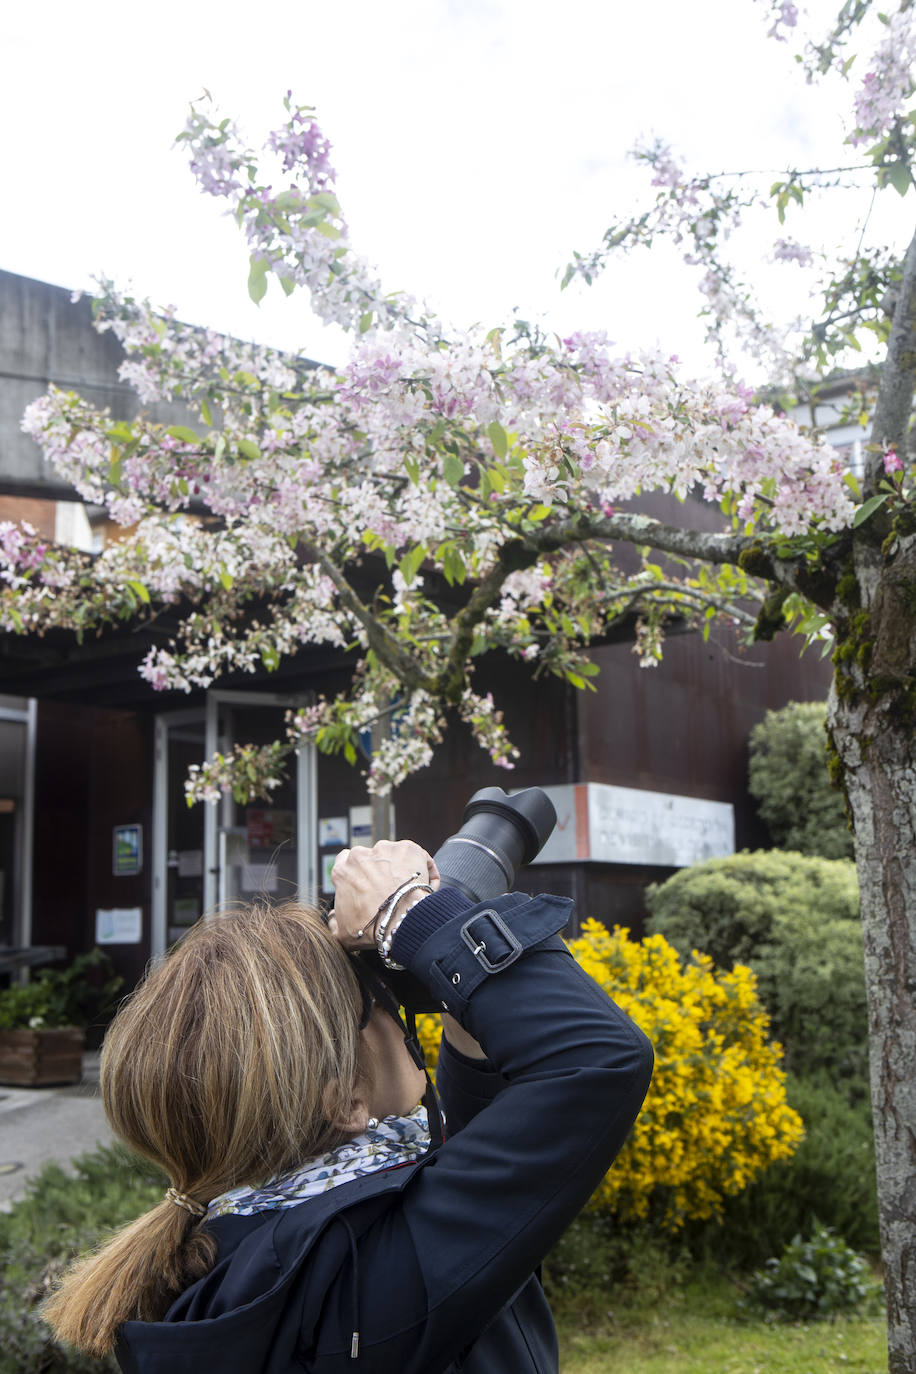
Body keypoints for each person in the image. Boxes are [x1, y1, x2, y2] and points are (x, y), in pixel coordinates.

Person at [44, 840, 653, 1373]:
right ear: (343, 1099)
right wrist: (408, 916)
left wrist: (454, 986)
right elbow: (596, 1059)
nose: (396, 1004)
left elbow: (469, 1160)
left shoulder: (268, 1242)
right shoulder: (359, 1273)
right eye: (378, 998)